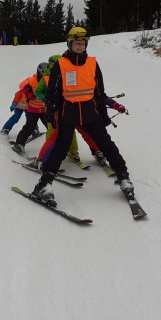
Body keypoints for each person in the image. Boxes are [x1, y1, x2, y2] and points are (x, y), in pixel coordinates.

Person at [31, 27, 131, 206]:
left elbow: (99, 92)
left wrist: (106, 111)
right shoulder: (60, 64)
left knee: (106, 144)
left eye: (83, 43)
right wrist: (50, 111)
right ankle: (44, 185)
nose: (80, 46)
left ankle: (124, 177)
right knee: (61, 148)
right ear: (70, 44)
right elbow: (53, 92)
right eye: (77, 43)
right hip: (67, 113)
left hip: (90, 112)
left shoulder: (93, 63)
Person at [11, 62, 48, 155]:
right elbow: (23, 90)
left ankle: (58, 145)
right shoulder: (32, 81)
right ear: (39, 72)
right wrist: (28, 94)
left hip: (44, 109)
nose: (46, 73)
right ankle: (19, 144)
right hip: (33, 109)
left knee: (51, 126)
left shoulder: (49, 80)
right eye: (44, 72)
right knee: (29, 127)